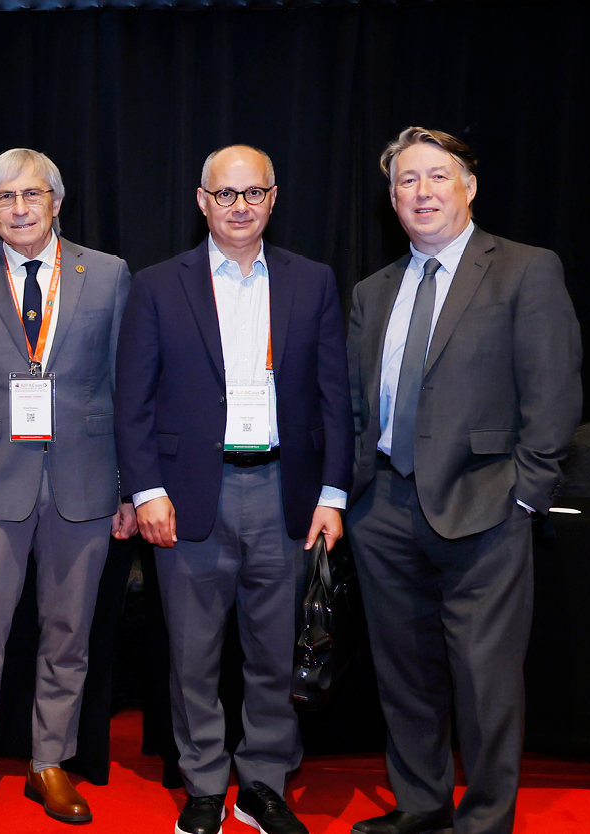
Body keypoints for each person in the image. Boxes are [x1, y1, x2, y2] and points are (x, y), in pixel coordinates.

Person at [344, 128, 581, 834]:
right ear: (390, 199)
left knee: (484, 684)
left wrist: (524, 494)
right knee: (404, 678)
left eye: (436, 176)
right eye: (406, 181)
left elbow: (553, 394)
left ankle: (483, 821)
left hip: (485, 508)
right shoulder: (371, 290)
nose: (421, 192)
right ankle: (420, 807)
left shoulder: (522, 270)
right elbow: (359, 406)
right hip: (382, 508)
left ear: (467, 186)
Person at [114, 145, 350, 834]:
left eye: (253, 193)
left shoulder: (312, 282)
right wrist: (145, 490)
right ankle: (204, 783)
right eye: (225, 194)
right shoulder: (159, 285)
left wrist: (332, 495)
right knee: (191, 656)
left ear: (273, 199)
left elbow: (335, 399)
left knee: (275, 654)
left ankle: (264, 782)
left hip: (285, 493)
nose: (239, 206)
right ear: (201, 201)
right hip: (188, 497)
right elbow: (132, 400)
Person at [0, 148, 135, 831]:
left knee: (68, 636)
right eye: (4, 197)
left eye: (31, 195)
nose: (18, 208)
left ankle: (50, 763)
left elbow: (124, 389)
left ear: (56, 202)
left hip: (84, 483)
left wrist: (130, 488)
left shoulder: (106, 275)